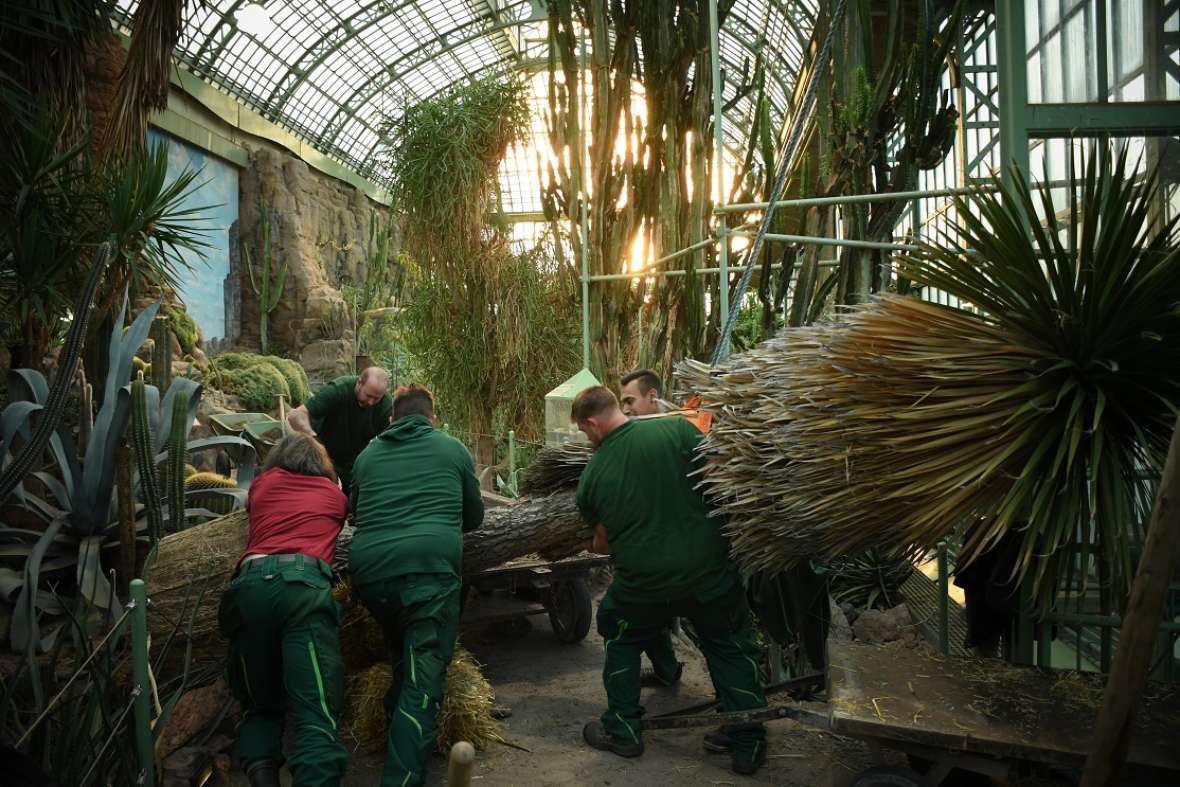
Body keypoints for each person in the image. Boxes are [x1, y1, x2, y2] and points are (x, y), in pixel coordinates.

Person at [572, 385, 768, 776]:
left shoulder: (591, 477)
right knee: (728, 646)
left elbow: (602, 542)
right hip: (708, 575)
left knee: (621, 636)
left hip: (643, 585)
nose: (586, 438)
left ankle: (623, 730)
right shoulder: (678, 432)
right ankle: (747, 741)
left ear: (592, 423)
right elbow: (718, 478)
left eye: (583, 431)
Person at [348, 384, 485, 787]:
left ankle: (395, 719)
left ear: (392, 420)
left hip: (372, 579)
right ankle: (401, 778)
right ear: (433, 418)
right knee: (423, 681)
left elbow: (356, 514)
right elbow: (474, 517)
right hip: (428, 575)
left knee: (402, 655)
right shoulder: (453, 449)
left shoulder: (368, 454)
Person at [218, 434, 349, 787]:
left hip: (250, 587)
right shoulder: (334, 496)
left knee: (258, 703)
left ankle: (263, 777)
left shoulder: (262, 486)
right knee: (314, 710)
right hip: (303, 589)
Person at [287, 367, 393, 494]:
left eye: (376, 398)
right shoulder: (338, 389)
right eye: (368, 395)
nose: (371, 402)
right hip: (323, 458)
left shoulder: (385, 405)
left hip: (354, 463)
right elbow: (296, 415)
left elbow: (391, 440)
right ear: (359, 382)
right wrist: (313, 439)